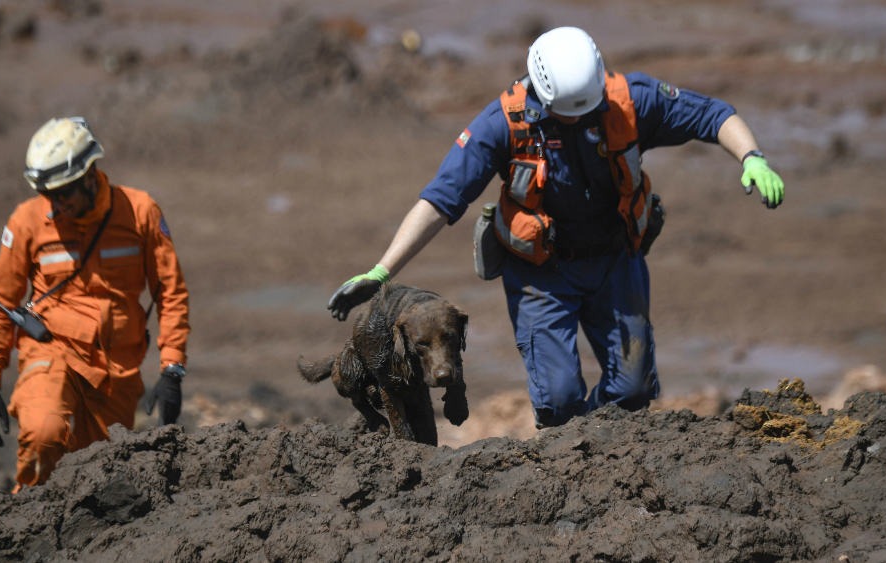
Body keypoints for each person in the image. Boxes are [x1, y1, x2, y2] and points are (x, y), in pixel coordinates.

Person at [327, 27, 784, 429]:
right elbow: (440, 201)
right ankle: (575, 452)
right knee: (560, 402)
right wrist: (382, 271)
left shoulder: (628, 100)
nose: (578, 118)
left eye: (586, 109)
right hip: (541, 274)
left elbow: (715, 115)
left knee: (633, 391)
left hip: (614, 263)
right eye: (567, 112)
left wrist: (752, 157)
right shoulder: (501, 124)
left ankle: (608, 448)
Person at [0, 117, 190, 490]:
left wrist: (172, 370)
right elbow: (1, 303)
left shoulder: (140, 213)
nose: (57, 205)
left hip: (117, 370)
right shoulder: (27, 221)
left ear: (90, 176)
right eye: (48, 196)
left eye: (64, 194)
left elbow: (170, 293)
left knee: (101, 479)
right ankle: (27, 524)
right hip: (51, 350)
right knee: (43, 433)